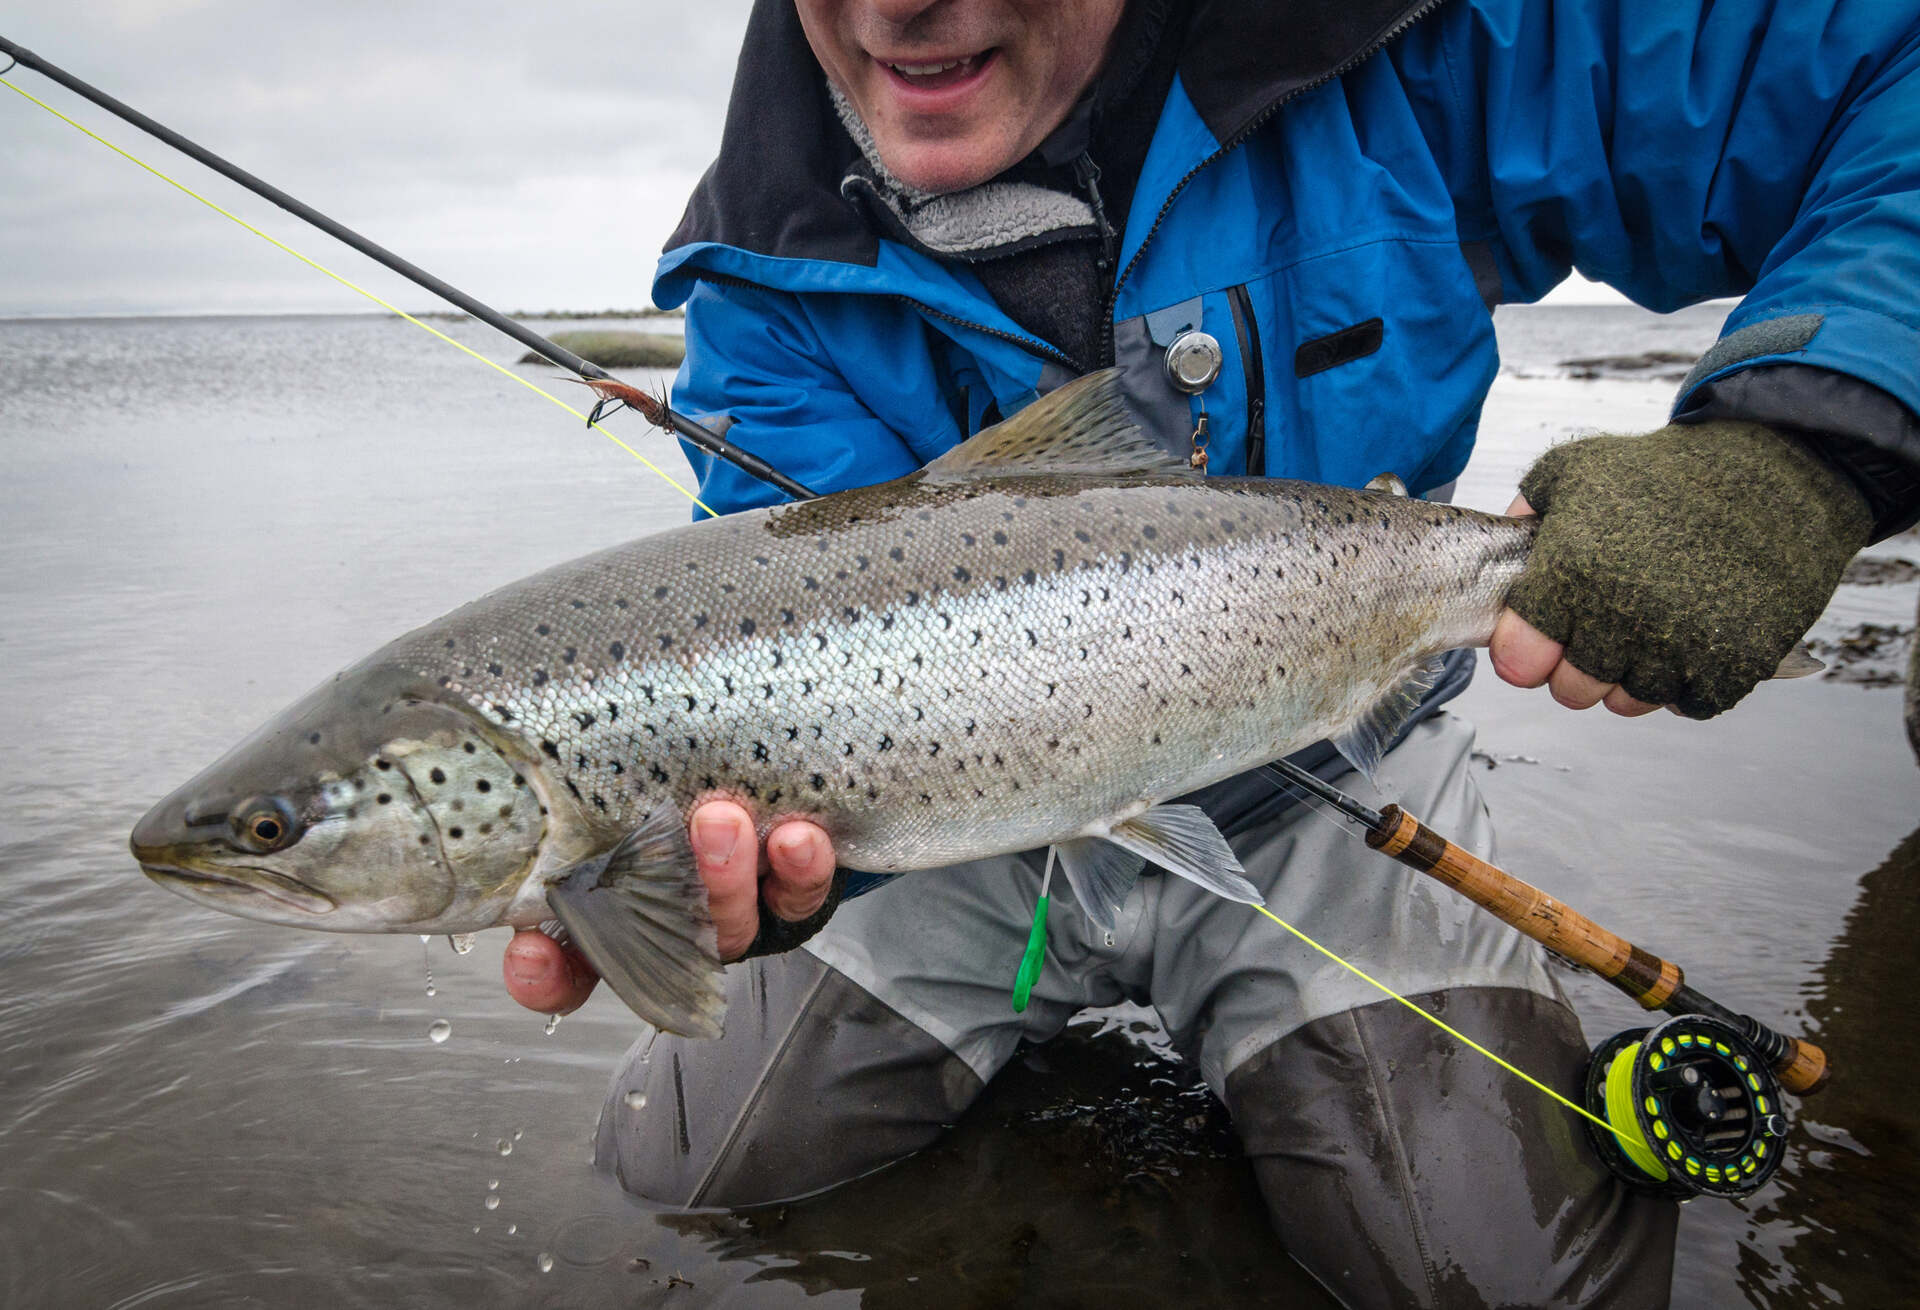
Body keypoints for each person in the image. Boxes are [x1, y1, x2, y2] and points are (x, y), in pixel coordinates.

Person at [504, 1, 1920, 1303]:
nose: (897, 6)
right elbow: (785, 724)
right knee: (675, 1184)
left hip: (1342, 783)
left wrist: (1798, 440)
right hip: (947, 824)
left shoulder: (1414, 39)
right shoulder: (758, 278)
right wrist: (770, 883)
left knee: (1498, 1278)